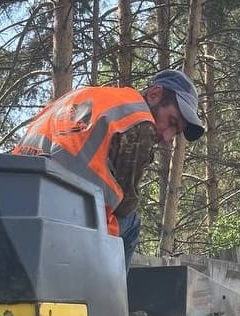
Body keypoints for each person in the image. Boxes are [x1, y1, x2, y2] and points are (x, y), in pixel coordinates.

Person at [13, 69, 205, 267]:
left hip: (14, 203)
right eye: (171, 122)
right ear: (154, 94)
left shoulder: (90, 97)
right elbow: (125, 205)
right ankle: (110, 297)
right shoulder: (140, 123)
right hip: (67, 216)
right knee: (131, 223)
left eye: (176, 132)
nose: (167, 137)